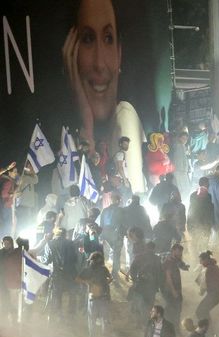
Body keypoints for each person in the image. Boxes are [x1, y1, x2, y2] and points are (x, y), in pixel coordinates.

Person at [63, 0, 145, 197]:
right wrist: (86, 117)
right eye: (88, 39)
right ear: (71, 53)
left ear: (119, 53)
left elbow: (135, 187)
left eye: (108, 38)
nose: (99, 63)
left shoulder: (125, 114)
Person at [195, 251, 219, 321]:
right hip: (217, 294)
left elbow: (203, 286)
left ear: (206, 260)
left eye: (201, 261)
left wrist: (201, 292)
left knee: (199, 312)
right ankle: (209, 328)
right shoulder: (215, 266)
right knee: (204, 311)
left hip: (214, 295)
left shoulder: (208, 269)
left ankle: (207, 329)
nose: (200, 263)